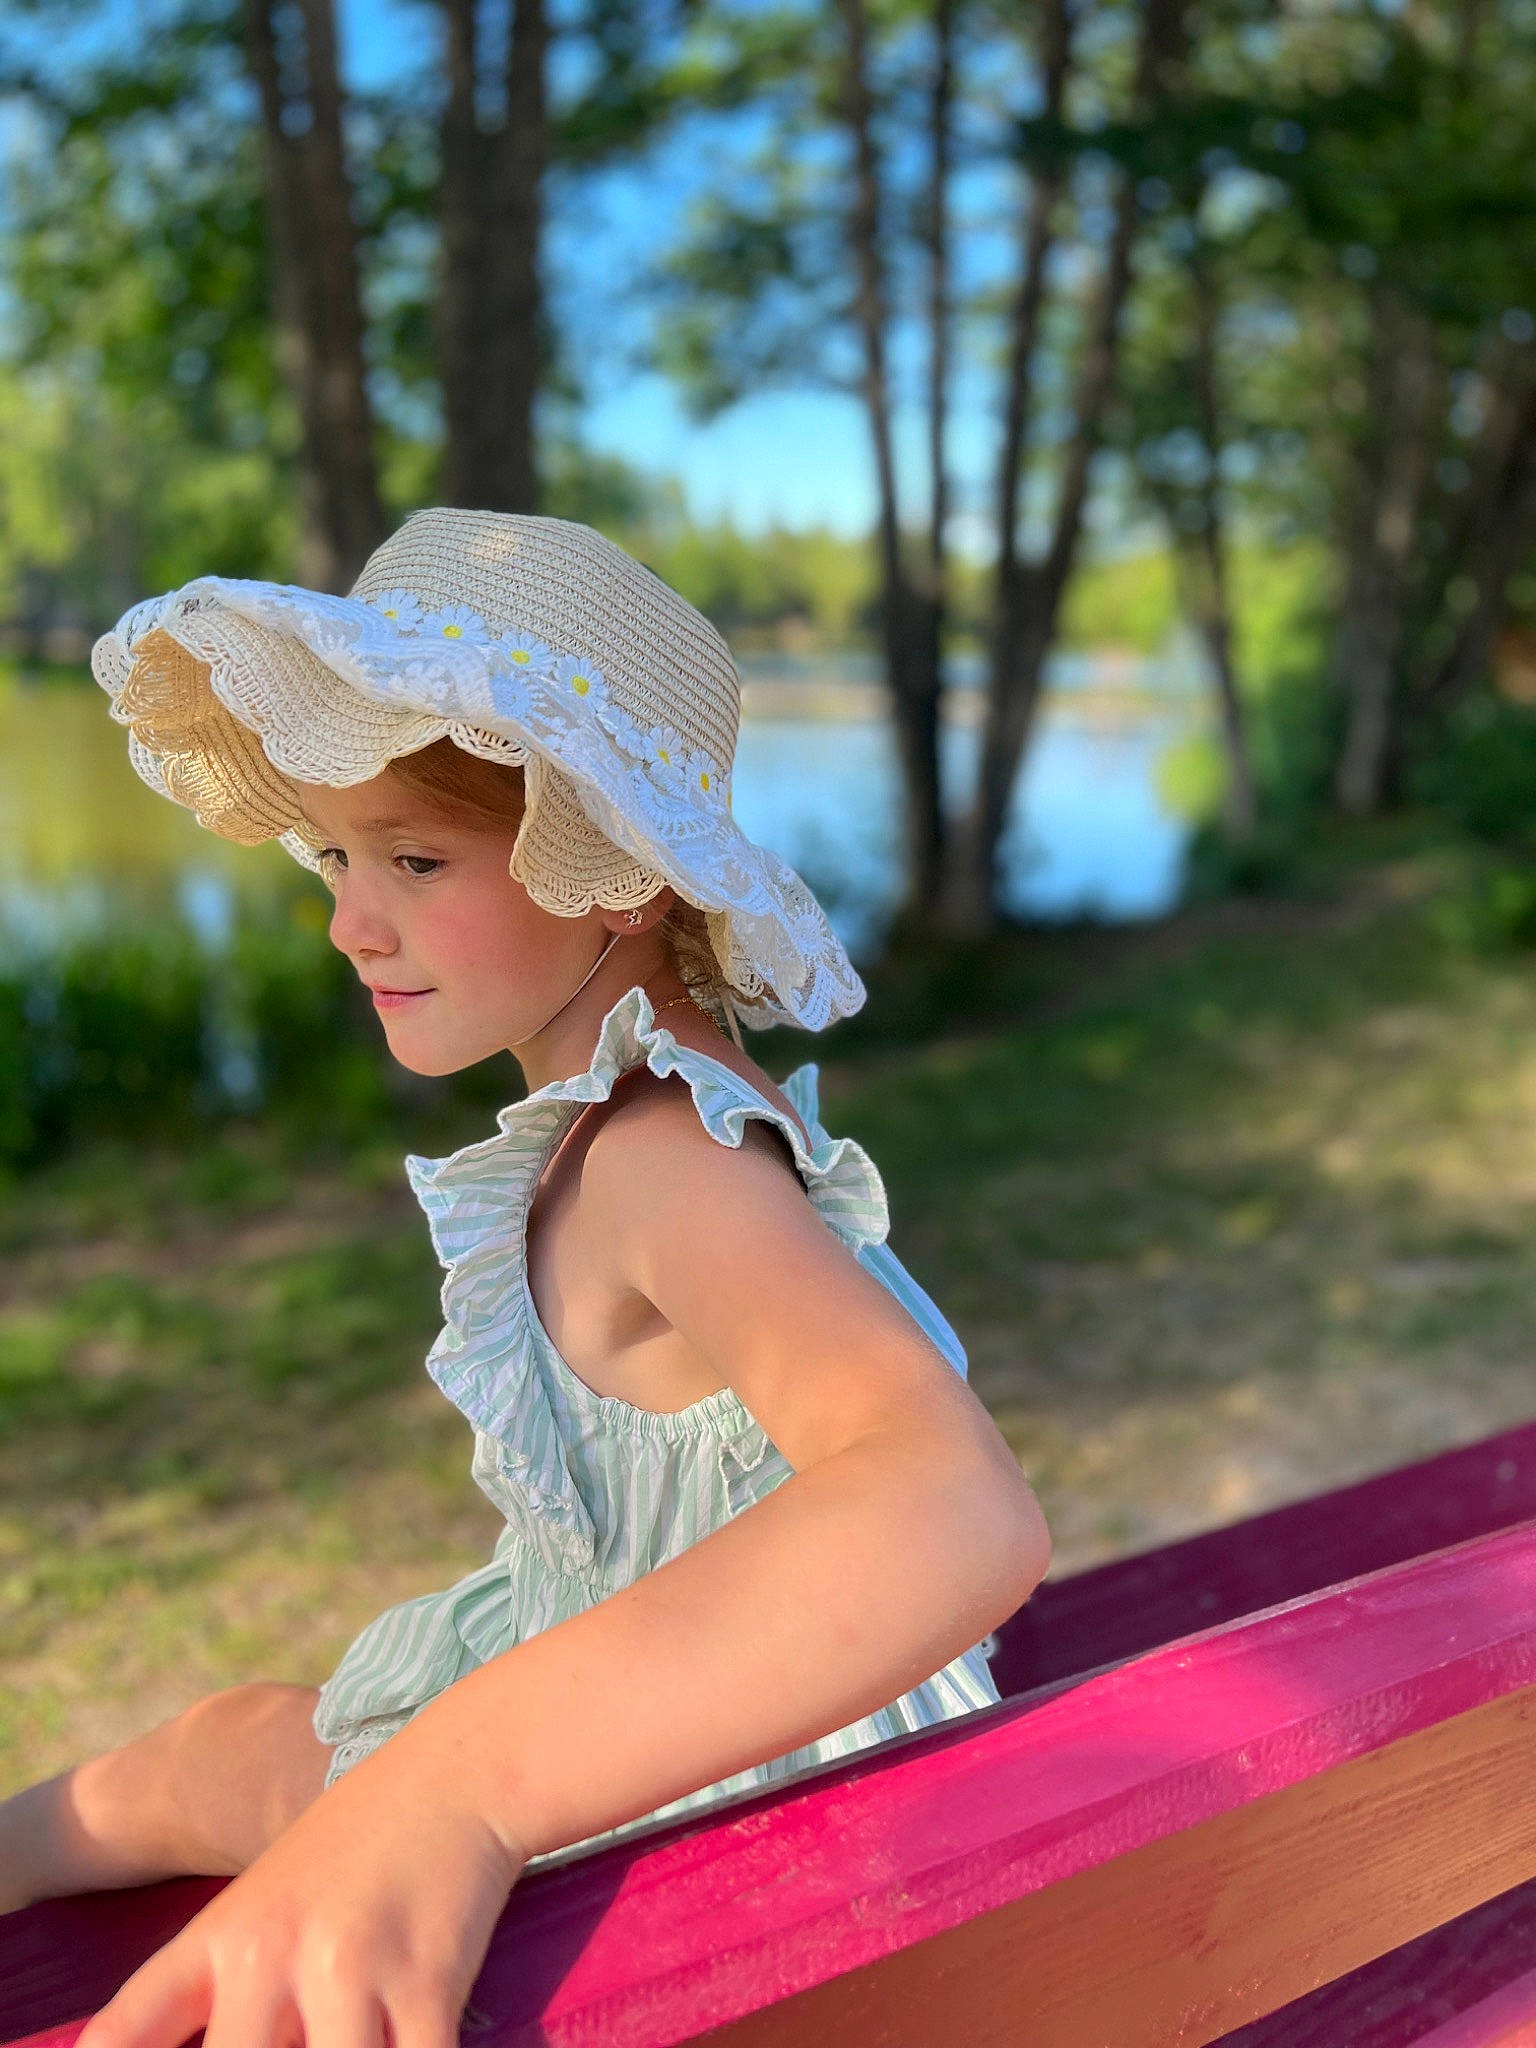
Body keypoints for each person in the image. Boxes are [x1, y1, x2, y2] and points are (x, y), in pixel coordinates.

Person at [0, 509, 1052, 2045]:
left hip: (688, 1793)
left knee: (213, 1758)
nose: (352, 923)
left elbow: (953, 1504)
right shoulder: (656, 1115)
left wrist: (457, 1790)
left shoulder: (661, 1156)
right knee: (221, 1753)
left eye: (416, 860)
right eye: (337, 856)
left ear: (617, 875)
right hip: (702, 1707)